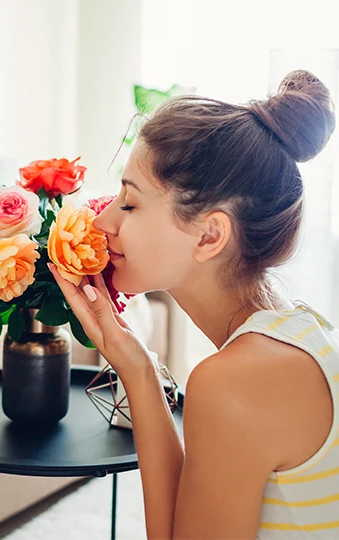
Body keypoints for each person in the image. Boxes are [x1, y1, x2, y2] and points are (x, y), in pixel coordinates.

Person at [49, 69, 338, 539]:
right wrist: (136, 365)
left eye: (130, 203)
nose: (102, 221)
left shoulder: (238, 383)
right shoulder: (302, 329)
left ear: (210, 235)